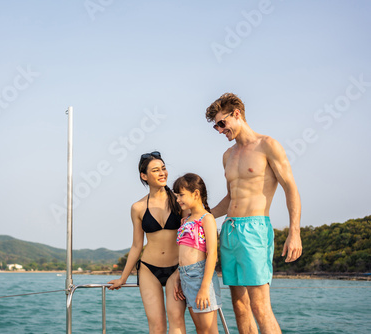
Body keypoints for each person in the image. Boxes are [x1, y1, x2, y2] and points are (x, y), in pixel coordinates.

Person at [205, 93, 302, 334]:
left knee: (260, 307)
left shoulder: (267, 145)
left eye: (221, 123)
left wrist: (295, 233)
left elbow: (291, 189)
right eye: (216, 126)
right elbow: (230, 199)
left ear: (236, 113)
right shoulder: (227, 155)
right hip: (229, 230)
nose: (219, 130)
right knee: (239, 305)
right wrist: (202, 215)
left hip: (255, 229)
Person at [108, 151, 186, 334]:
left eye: (164, 169)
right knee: (157, 327)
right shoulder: (138, 207)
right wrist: (123, 278)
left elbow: (188, 236)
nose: (162, 173)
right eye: (156, 170)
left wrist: (185, 269)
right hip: (149, 269)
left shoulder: (179, 200)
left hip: (176, 268)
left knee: (176, 322)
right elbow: (136, 246)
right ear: (144, 176)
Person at [172, 173, 222, 334]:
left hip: (201, 277)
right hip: (186, 277)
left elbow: (212, 254)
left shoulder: (206, 219)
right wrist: (180, 277)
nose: (178, 199)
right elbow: (184, 252)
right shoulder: (186, 220)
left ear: (196, 193)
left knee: (209, 330)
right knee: (200, 329)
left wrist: (204, 288)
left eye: (181, 195)